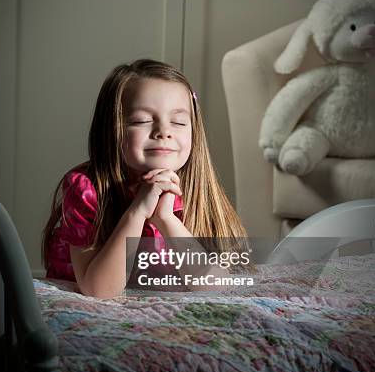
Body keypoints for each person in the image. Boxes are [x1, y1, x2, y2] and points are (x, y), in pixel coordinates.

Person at [41, 59, 251, 298]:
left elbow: (216, 285)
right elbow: (98, 291)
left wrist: (165, 218)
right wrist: (138, 211)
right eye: (141, 120)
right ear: (111, 129)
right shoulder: (86, 188)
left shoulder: (197, 189)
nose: (164, 131)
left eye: (179, 121)